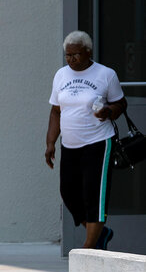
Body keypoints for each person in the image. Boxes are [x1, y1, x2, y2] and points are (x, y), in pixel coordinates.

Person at [45, 31, 127, 250]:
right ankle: (102, 234)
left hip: (98, 142)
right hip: (70, 145)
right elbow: (55, 111)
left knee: (94, 194)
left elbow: (121, 104)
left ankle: (89, 248)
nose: (71, 59)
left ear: (88, 52)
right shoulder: (61, 75)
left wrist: (109, 111)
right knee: (69, 192)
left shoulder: (105, 74)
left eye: (76, 55)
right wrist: (50, 142)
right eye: (67, 55)